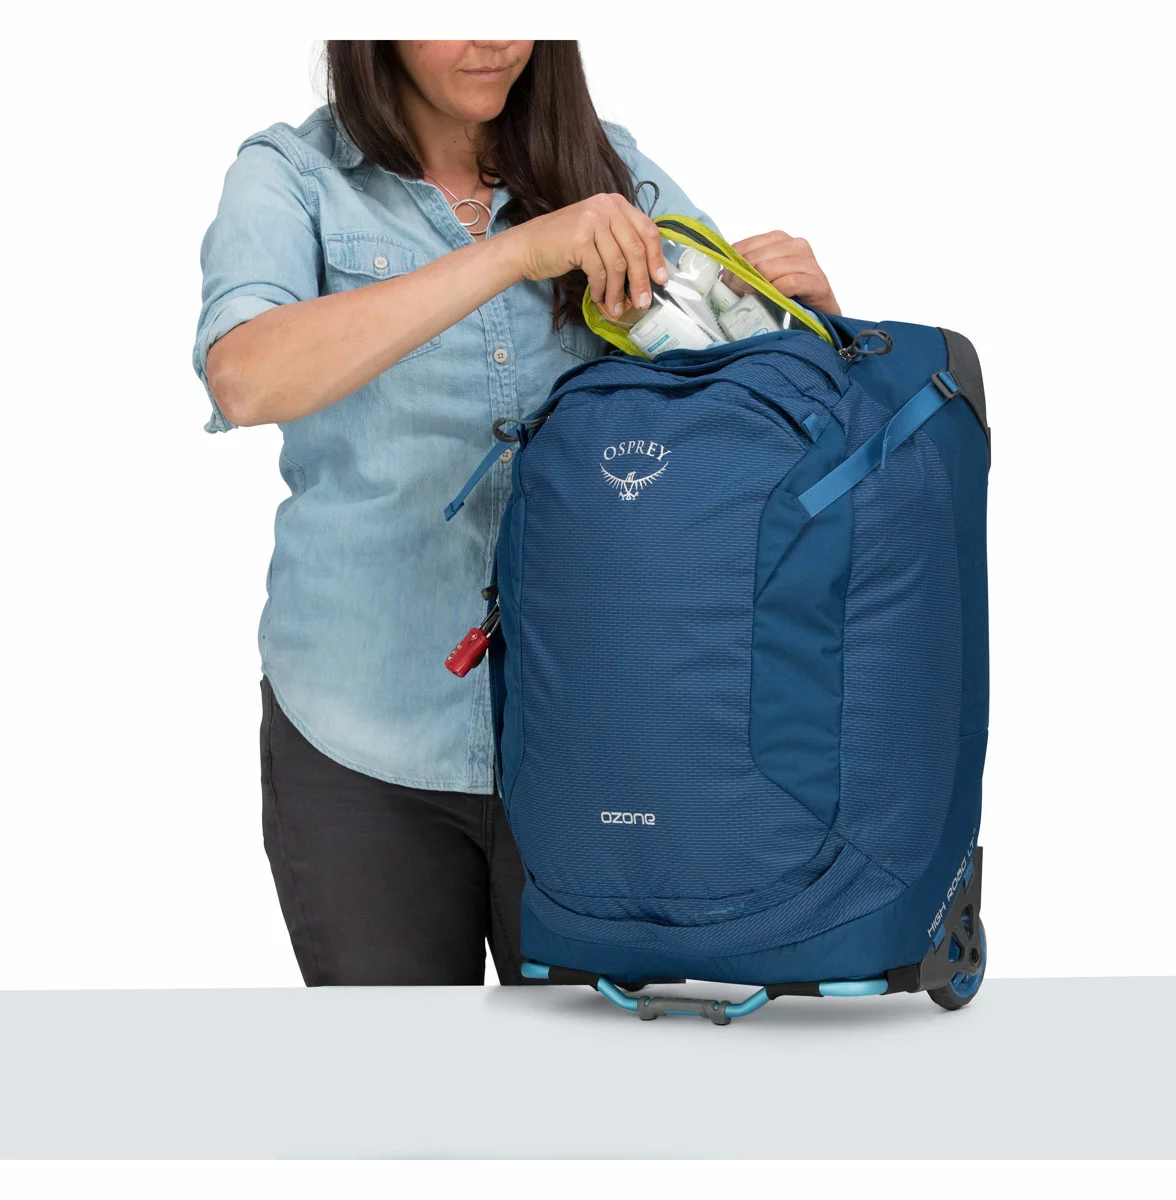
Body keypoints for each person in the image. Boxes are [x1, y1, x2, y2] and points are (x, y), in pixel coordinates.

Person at [193, 39, 840, 987]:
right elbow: (247, 377)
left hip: (599, 736)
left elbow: (739, 425)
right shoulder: (292, 177)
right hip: (361, 736)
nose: (493, 36)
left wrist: (801, 321)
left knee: (598, 1078)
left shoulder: (606, 171)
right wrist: (513, 255)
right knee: (399, 1078)